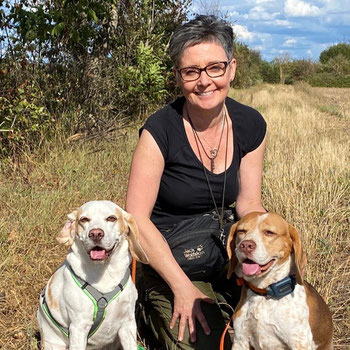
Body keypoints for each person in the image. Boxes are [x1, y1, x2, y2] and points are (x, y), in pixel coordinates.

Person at [126, 15, 267, 350]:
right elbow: (136, 219)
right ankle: (148, 313)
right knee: (205, 341)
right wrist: (181, 287)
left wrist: (272, 250)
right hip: (170, 258)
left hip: (224, 250)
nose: (204, 81)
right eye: (191, 71)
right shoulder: (159, 130)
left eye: (215, 67)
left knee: (277, 320)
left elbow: (248, 204)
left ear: (232, 68)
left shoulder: (250, 124)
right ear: (178, 77)